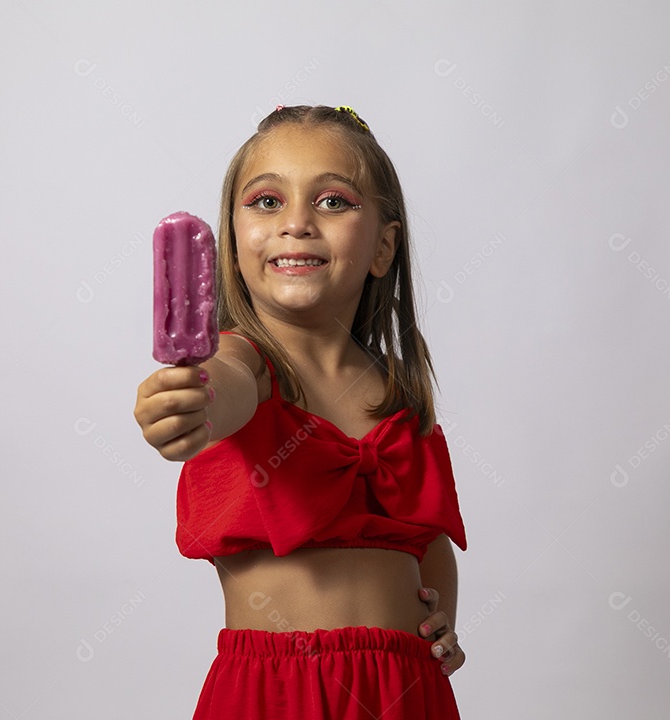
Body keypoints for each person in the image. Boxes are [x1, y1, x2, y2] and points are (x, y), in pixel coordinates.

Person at [133, 104, 468, 719]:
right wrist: (194, 400)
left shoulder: (399, 396)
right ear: (230, 248)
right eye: (265, 202)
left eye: (333, 202)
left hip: (408, 693)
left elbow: (428, 538)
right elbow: (226, 385)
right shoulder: (247, 363)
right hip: (278, 691)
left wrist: (439, 621)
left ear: (383, 247)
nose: (297, 223)